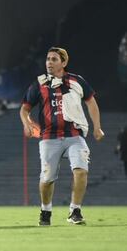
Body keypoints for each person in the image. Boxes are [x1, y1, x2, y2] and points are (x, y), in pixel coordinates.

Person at [19, 47, 105, 226]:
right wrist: (26, 123)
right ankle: (45, 210)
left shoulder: (76, 81)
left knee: (81, 171)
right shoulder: (39, 84)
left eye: (54, 59)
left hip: (74, 134)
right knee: (47, 178)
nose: (49, 62)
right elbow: (25, 108)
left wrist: (97, 127)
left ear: (63, 63)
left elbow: (92, 104)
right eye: (48, 59)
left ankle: (75, 211)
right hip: (49, 137)